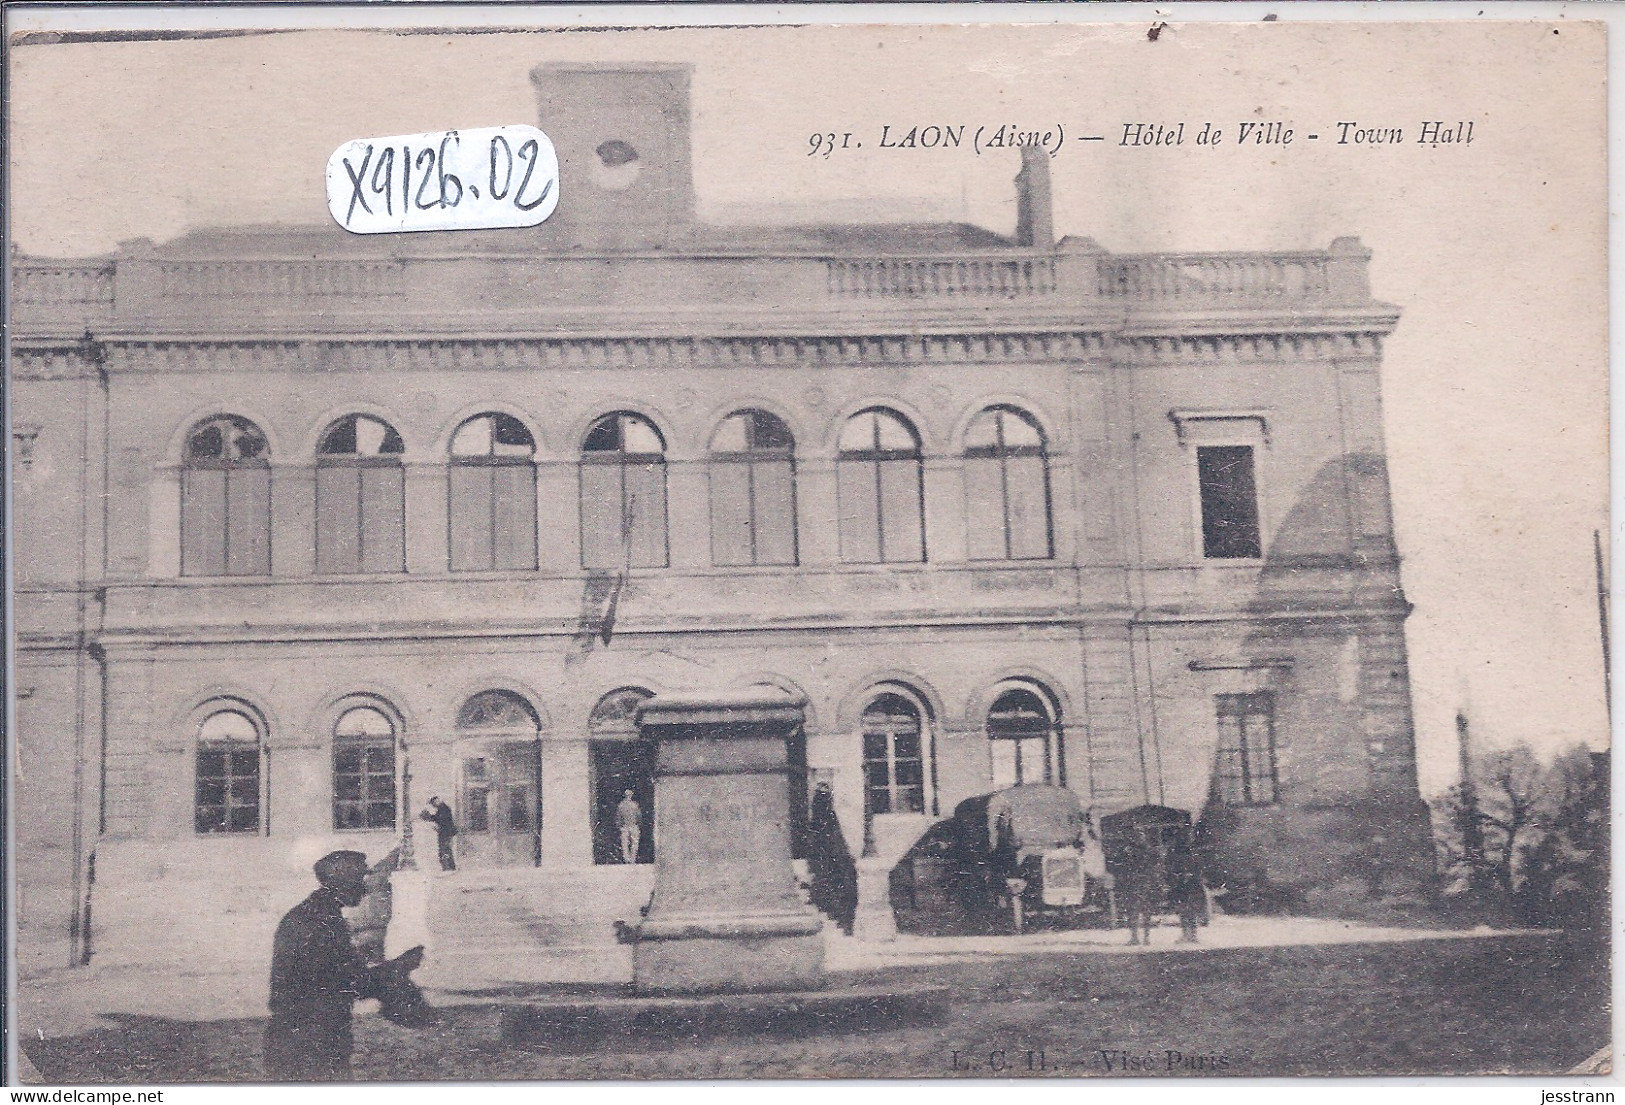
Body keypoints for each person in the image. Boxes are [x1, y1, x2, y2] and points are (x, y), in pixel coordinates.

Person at [263, 850, 425, 1081]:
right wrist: (398, 967)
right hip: (311, 1044)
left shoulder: (314, 914)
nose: (364, 888)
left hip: (303, 1038)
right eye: (359, 880)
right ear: (342, 883)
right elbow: (353, 983)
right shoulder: (322, 921)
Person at [1120, 830, 1163, 946]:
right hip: (1139, 884)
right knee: (1138, 912)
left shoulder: (1145, 852)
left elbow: (1155, 866)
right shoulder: (1143, 851)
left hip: (1143, 884)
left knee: (1141, 912)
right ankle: (1138, 937)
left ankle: (1142, 937)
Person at [1168, 839, 1209, 944]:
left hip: (1190, 887)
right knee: (1187, 913)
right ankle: (1190, 935)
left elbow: (1199, 872)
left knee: (1187, 912)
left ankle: (1190, 935)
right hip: (1187, 887)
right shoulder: (1193, 859)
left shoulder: (1191, 860)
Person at [420, 796, 457, 871]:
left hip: (445, 832)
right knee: (446, 849)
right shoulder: (442, 808)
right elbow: (438, 818)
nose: (433, 806)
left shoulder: (443, 809)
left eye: (433, 804)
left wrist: (429, 817)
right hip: (446, 832)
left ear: (436, 802)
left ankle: (447, 867)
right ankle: (450, 867)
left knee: (444, 849)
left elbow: (441, 819)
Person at [616, 789, 643, 864]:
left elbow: (618, 817)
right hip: (633, 825)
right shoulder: (635, 805)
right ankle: (632, 859)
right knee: (634, 843)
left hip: (625, 826)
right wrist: (639, 824)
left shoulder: (621, 805)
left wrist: (619, 826)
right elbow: (639, 816)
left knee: (625, 843)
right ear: (631, 795)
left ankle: (626, 858)